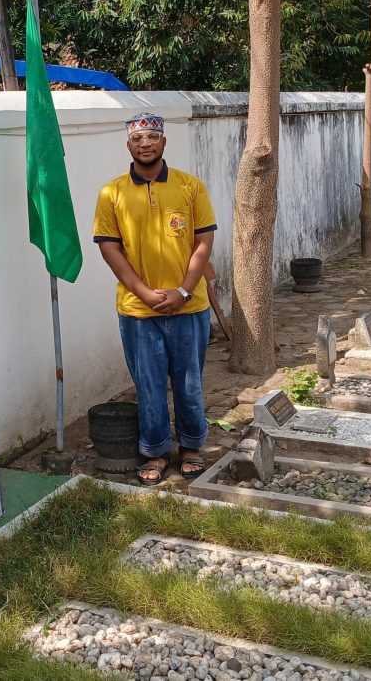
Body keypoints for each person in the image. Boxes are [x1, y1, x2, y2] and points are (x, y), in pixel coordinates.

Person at [92, 112, 216, 486]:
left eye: (152, 137)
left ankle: (192, 445)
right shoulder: (111, 193)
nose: (145, 144)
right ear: (128, 145)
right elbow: (110, 249)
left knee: (189, 381)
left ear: (163, 142)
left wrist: (182, 290)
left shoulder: (190, 187)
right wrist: (144, 293)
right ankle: (156, 450)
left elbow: (203, 242)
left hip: (189, 306)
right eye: (137, 139)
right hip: (137, 309)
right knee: (148, 384)